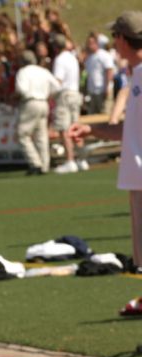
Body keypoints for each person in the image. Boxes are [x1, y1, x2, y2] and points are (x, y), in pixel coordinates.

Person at [69, 12, 142, 267]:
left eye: (114, 36)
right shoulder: (136, 76)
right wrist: (92, 131)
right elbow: (129, 129)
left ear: (122, 39)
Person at [15, 49, 60, 175]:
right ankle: (45, 164)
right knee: (41, 135)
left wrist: (24, 96)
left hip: (30, 102)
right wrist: (47, 95)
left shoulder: (23, 72)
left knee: (22, 134)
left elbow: (21, 89)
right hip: (44, 102)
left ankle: (35, 163)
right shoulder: (43, 71)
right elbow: (57, 87)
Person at [50, 34, 85, 174]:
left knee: (64, 129)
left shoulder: (60, 59)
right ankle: (82, 159)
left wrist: (50, 95)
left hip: (64, 95)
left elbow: (58, 81)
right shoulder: (72, 57)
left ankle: (70, 160)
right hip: (75, 93)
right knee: (75, 127)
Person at [84, 33, 116, 115]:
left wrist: (107, 87)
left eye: (92, 43)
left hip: (103, 90)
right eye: (89, 43)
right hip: (93, 92)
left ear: (96, 43)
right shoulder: (89, 58)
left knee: (104, 114)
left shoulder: (104, 55)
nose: (90, 45)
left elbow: (109, 70)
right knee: (93, 115)